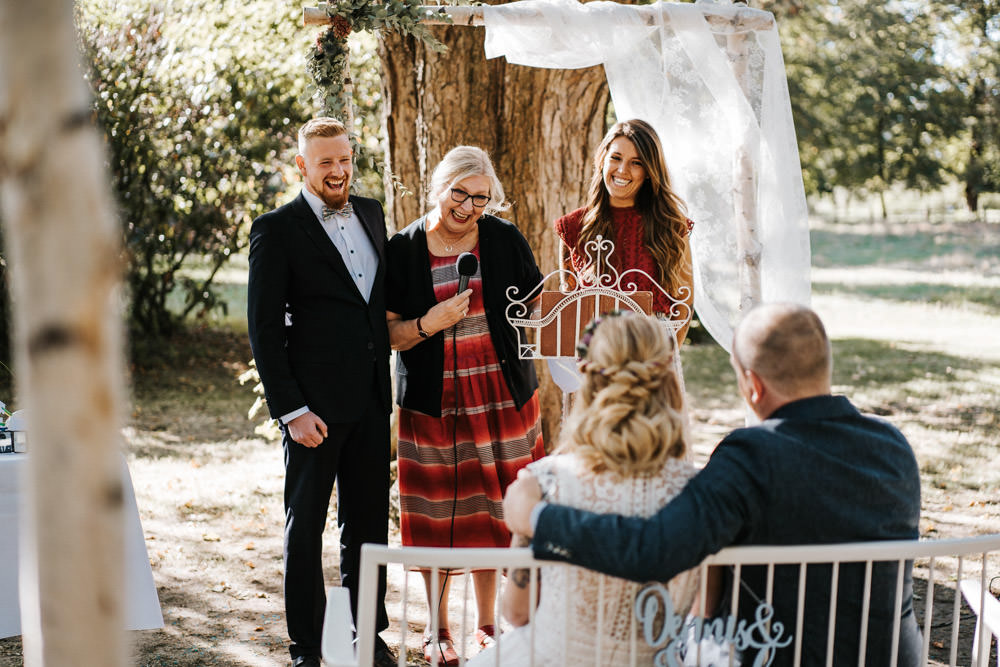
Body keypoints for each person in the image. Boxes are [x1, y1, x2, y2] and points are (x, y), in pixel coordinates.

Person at [503, 303, 923, 667]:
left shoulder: (752, 455)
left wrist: (539, 516)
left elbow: (653, 549)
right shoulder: (894, 447)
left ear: (752, 386)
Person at [385, 145, 546, 665]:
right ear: (439, 187)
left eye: (480, 197)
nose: (469, 206)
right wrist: (432, 321)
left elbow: (537, 306)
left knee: (494, 512)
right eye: (460, 193)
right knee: (435, 513)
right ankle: (435, 629)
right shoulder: (404, 248)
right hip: (433, 404)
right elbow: (388, 333)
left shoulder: (502, 238)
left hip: (502, 399)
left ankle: (485, 626)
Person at [470, 312, 703, 666]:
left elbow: (517, 613)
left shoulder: (541, 485)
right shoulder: (700, 492)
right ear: (667, 381)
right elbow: (703, 612)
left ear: (589, 383)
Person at [247, 117, 395, 667]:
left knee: (368, 522)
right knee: (305, 524)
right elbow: (263, 329)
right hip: (313, 410)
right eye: (325, 162)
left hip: (372, 401)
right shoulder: (276, 228)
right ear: (303, 166)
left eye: (344, 159)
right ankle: (307, 644)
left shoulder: (373, 213)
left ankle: (366, 634)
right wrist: (292, 409)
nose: (338, 171)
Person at [554, 118, 695, 344]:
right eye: (616, 158)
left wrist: (666, 360)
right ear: (602, 160)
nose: (622, 170)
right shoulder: (573, 227)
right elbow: (568, 304)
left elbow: (683, 304)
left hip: (652, 356)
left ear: (649, 170)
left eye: (636, 162)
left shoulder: (671, 226)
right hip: (593, 359)